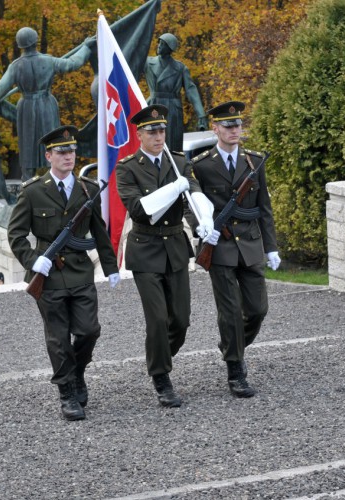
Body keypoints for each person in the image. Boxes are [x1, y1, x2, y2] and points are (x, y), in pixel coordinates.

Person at [8, 125, 119, 421]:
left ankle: (76, 372)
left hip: (81, 271)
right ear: (49, 156)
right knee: (58, 337)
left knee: (89, 330)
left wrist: (110, 267)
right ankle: (67, 392)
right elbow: (16, 234)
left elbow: (100, 232)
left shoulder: (88, 189)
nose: (68, 156)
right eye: (61, 152)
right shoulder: (33, 191)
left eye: (71, 151)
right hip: (49, 275)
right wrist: (33, 261)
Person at [116, 104, 212, 407]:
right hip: (145, 249)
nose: (159, 137)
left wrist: (204, 221)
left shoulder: (178, 161)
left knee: (180, 320)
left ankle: (159, 357)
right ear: (140, 135)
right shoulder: (127, 168)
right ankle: (161, 376)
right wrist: (173, 188)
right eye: (152, 132)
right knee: (157, 318)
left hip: (174, 247)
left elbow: (193, 195)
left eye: (161, 131)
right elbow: (138, 210)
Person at [191, 102, 279, 397]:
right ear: (215, 128)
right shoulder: (202, 165)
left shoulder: (254, 161)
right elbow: (191, 203)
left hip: (250, 243)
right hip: (220, 246)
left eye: (238, 125)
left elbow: (264, 208)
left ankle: (232, 344)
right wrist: (201, 227)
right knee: (229, 312)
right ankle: (235, 369)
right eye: (228, 126)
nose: (234, 130)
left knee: (257, 310)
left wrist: (271, 247)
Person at [0, 27, 92, 180]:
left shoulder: (16, 66)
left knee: (28, 148)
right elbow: (72, 64)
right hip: (46, 105)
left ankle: (27, 182)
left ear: (20, 45)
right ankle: (55, 178)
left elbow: (1, 86)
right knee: (52, 142)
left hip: (26, 108)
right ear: (36, 41)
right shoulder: (48, 60)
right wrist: (86, 47)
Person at [144, 33, 208, 153]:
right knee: (152, 142)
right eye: (159, 43)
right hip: (153, 105)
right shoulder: (147, 62)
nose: (159, 46)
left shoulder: (180, 68)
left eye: (162, 44)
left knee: (172, 146)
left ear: (170, 48)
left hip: (172, 109)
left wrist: (201, 115)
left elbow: (191, 90)